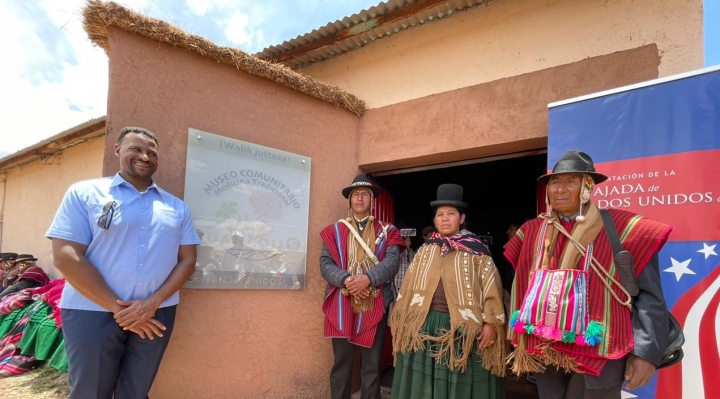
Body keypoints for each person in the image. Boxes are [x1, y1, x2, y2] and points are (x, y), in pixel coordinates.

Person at [46, 126, 201, 399]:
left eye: (151, 152)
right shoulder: (85, 193)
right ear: (118, 150)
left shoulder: (176, 207)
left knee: (136, 391)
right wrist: (122, 311)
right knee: (90, 392)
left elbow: (187, 260)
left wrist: (151, 304)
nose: (144, 156)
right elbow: (66, 255)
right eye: (136, 149)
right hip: (91, 311)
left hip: (156, 313)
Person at [505, 151, 672, 399]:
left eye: (571, 181)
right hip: (545, 348)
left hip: (599, 350)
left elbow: (649, 295)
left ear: (587, 187)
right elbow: (522, 287)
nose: (560, 189)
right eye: (555, 182)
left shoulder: (625, 229)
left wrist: (645, 352)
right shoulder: (531, 232)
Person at [390, 184, 507, 399]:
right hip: (424, 326)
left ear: (461, 218)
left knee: (460, 385)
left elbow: (493, 288)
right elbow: (407, 286)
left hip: (464, 329)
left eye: (451, 214)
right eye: (440, 215)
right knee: (425, 385)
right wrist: (400, 316)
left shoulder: (477, 250)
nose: (445, 218)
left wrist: (491, 322)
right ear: (434, 221)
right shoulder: (425, 250)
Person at [319, 174, 404, 399]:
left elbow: (392, 262)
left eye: (364, 195)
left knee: (371, 364)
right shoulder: (334, 231)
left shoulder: (388, 231)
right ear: (350, 201)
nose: (359, 199)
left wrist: (368, 278)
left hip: (374, 302)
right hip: (341, 302)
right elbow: (325, 264)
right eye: (355, 195)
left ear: (372, 200)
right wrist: (347, 279)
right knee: (342, 363)